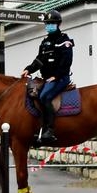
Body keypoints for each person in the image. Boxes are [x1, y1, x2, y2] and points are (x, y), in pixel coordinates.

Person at [21, 9, 73, 146]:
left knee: (44, 96)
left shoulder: (64, 41)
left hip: (60, 78)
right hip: (46, 78)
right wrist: (28, 69)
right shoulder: (45, 42)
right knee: (33, 94)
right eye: (47, 23)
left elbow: (66, 61)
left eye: (52, 23)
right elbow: (39, 60)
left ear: (58, 24)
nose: (49, 25)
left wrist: (56, 76)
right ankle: (38, 128)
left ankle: (49, 130)